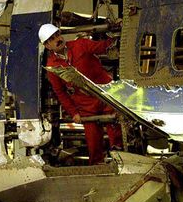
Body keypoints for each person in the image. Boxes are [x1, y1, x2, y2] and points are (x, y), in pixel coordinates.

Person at [39, 23, 123, 165]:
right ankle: (97, 170)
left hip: (106, 94)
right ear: (47, 45)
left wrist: (118, 35)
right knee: (93, 144)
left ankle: (123, 160)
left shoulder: (81, 45)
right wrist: (73, 113)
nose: (57, 39)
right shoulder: (52, 67)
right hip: (85, 104)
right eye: (52, 39)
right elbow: (60, 92)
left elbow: (103, 47)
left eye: (57, 35)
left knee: (117, 134)